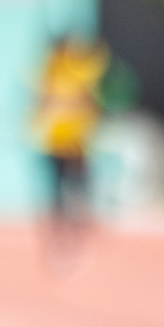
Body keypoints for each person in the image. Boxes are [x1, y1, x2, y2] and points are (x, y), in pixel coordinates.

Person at [34, 35, 108, 272]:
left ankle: (69, 235)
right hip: (64, 140)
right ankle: (66, 235)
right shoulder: (56, 73)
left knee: (68, 189)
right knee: (69, 189)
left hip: (69, 140)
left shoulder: (54, 73)